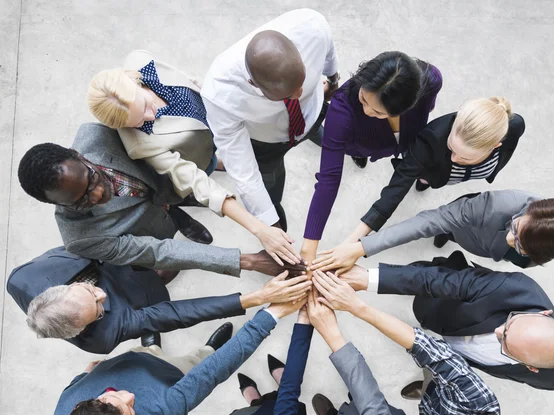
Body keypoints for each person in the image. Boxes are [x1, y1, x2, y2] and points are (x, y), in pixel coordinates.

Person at [310, 271, 510, 415]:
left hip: (432, 410)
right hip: (443, 388)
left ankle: (426, 394)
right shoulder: (480, 402)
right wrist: (357, 307)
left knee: (430, 396)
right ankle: (428, 388)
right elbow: (430, 350)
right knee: (434, 371)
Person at [87, 50, 301, 267]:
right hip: (188, 162)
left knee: (212, 161)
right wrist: (260, 229)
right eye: (137, 121)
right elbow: (199, 182)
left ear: (135, 82)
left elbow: (184, 79)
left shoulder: (141, 62)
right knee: (192, 184)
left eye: (144, 106)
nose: (150, 117)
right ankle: (180, 216)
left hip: (207, 136)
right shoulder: (141, 144)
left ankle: (214, 162)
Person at [18, 126, 306, 278]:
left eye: (92, 180)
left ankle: (180, 212)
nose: (96, 196)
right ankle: (179, 220)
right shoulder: (80, 238)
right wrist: (250, 261)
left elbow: (165, 153)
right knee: (165, 249)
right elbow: (158, 252)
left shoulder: (98, 134)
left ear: (78, 154)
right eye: (80, 202)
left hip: (167, 185)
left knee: (183, 195)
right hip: (151, 228)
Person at [51, 299, 306, 415]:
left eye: (110, 398)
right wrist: (270, 314)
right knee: (198, 363)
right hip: (169, 375)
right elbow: (213, 372)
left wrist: (86, 374)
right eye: (130, 411)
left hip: (130, 361)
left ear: (77, 408)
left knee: (146, 351)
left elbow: (77, 383)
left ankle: (151, 348)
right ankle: (207, 350)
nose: (129, 396)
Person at [318, 96, 525, 259]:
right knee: (425, 178)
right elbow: (395, 190)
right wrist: (355, 239)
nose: (454, 158)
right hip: (433, 170)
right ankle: (425, 181)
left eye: (464, 157)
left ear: (495, 145)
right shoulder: (429, 141)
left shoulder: (513, 127)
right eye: (451, 148)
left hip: (453, 175)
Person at [7, 246, 311, 354]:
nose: (101, 295)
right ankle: (145, 318)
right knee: (155, 299)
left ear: (60, 288)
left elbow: (78, 246)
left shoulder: (21, 279)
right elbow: (176, 314)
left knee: (165, 257)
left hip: (106, 257)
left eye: (88, 290)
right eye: (98, 309)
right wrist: (257, 297)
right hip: (135, 303)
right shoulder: (103, 336)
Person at [338, 251, 554, 390]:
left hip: (458, 352)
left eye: (506, 345)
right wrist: (367, 278)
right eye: (510, 323)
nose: (498, 331)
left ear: (531, 367)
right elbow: (441, 282)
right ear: (543, 314)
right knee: (429, 277)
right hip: (442, 309)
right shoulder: (516, 288)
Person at [201, 9, 340, 232]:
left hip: (312, 114)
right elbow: (244, 171)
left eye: (302, 82)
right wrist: (271, 228)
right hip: (267, 144)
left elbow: (329, 52)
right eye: (287, 95)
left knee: (321, 133)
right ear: (253, 83)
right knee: (271, 188)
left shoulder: (311, 26)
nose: (299, 95)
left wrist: (333, 81)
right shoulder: (220, 95)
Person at [301, 51, 443, 264]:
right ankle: (360, 156)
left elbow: (428, 108)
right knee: (355, 151)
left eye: (378, 113)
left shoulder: (431, 79)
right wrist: (309, 245)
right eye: (363, 99)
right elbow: (329, 180)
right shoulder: (342, 110)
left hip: (406, 142)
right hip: (360, 143)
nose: (366, 111)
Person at [312, 190, 554, 272]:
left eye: (519, 244)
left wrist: (516, 254)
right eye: (516, 229)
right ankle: (450, 236)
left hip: (491, 248)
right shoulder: (494, 206)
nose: (510, 238)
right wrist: (362, 247)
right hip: (467, 228)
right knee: (444, 228)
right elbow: (428, 221)